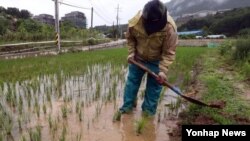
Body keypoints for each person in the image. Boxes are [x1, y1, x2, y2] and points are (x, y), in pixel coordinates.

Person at [119, 0, 178, 116]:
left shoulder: (170, 27)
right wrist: (131, 53)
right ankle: (127, 107)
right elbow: (130, 39)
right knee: (131, 83)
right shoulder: (135, 22)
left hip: (157, 61)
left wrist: (163, 70)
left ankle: (148, 114)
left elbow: (169, 52)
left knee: (154, 88)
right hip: (138, 58)